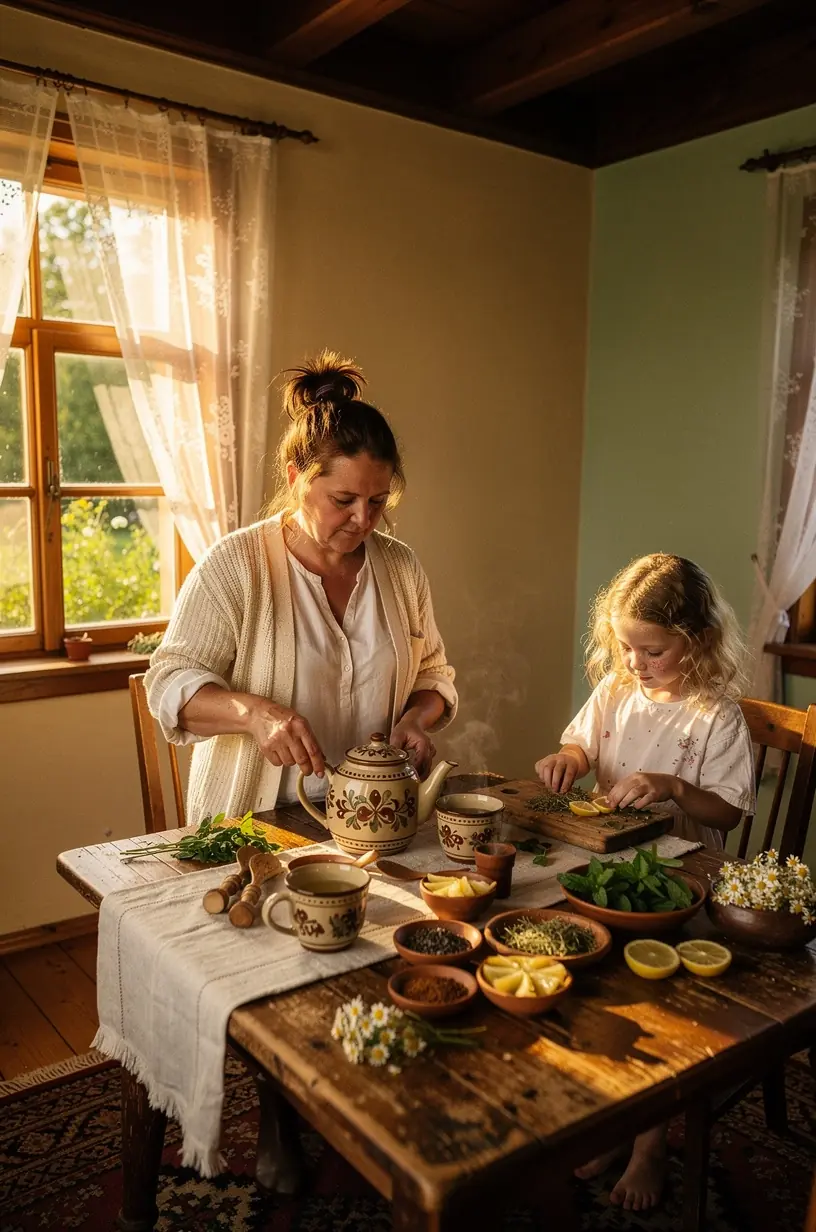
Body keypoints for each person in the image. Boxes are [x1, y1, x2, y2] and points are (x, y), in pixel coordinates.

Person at [146, 351, 457, 823]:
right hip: (254, 826)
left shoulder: (400, 568)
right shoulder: (236, 566)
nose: (363, 519)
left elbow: (433, 676)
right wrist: (254, 715)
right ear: (297, 479)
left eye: (377, 501)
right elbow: (169, 687)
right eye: (343, 499)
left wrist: (416, 718)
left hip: (372, 819)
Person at [534, 553, 755, 1212]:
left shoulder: (715, 714)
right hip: (609, 869)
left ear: (700, 640)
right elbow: (582, 747)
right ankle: (611, 1115)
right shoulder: (616, 695)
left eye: (651, 650)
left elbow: (730, 809)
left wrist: (672, 786)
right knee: (584, 973)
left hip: (682, 880)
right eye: (626, 648)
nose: (635, 663)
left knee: (652, 996)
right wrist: (566, 759)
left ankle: (649, 1142)